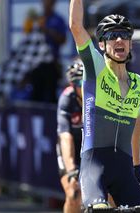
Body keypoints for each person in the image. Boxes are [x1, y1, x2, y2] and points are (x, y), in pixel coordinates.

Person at [69, 0, 140, 209]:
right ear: (102, 44)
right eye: (112, 36)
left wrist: (136, 164)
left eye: (124, 35)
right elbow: (76, 26)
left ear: (131, 43)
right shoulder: (96, 68)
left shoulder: (139, 83)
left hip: (123, 169)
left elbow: (136, 125)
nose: (119, 39)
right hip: (94, 165)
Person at [57, 60, 83, 213]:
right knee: (74, 194)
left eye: (86, 81)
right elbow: (65, 137)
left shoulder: (100, 96)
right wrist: (72, 169)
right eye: (79, 82)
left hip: (90, 147)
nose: (83, 86)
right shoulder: (67, 99)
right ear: (73, 85)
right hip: (71, 145)